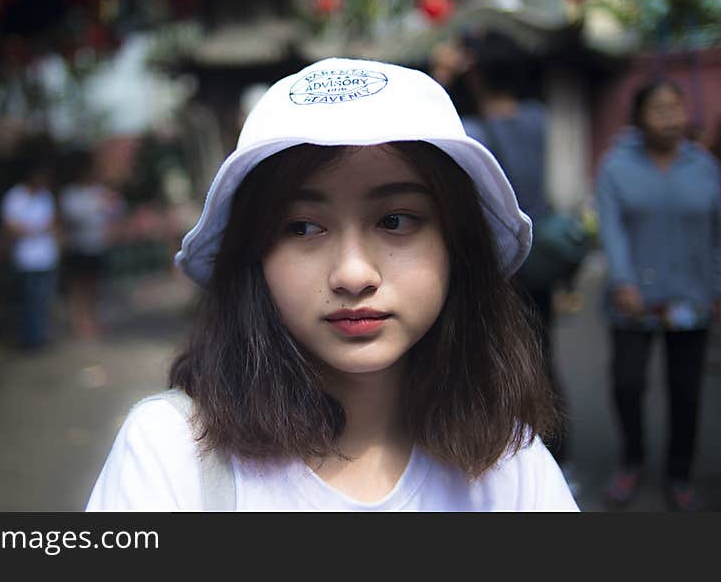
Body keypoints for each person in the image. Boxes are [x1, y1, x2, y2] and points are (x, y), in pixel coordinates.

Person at [85, 58, 578, 511]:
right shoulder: (171, 454)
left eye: (397, 220)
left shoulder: (508, 463)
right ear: (253, 255)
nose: (353, 274)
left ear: (457, 244)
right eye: (302, 227)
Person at [431, 32, 577, 492]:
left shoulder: (468, 132)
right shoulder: (538, 119)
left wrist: (444, 76)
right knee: (543, 355)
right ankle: (559, 461)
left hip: (495, 268)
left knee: (494, 358)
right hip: (538, 256)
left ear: (475, 73)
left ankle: (506, 463)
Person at [595, 79, 720, 512]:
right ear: (638, 117)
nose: (670, 117)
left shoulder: (703, 166)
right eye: (659, 109)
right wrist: (624, 281)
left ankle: (679, 471)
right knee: (628, 385)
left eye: (676, 108)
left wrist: (717, 286)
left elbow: (716, 233)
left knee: (686, 391)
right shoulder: (615, 166)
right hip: (633, 300)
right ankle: (632, 460)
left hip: (692, 300)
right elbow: (611, 230)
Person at [59, 151, 124, 340]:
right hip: (79, 246)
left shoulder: (98, 191)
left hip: (97, 245)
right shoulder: (70, 193)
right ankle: (79, 322)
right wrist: (97, 208)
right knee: (79, 287)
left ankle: (95, 319)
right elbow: (74, 216)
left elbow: (115, 209)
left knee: (95, 286)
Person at [1, 157, 59, 351]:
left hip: (46, 257)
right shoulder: (14, 197)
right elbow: (11, 227)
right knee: (29, 302)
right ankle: (31, 340)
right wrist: (36, 229)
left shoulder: (46, 196)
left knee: (44, 300)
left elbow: (50, 224)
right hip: (26, 259)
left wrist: (30, 229)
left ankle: (41, 336)